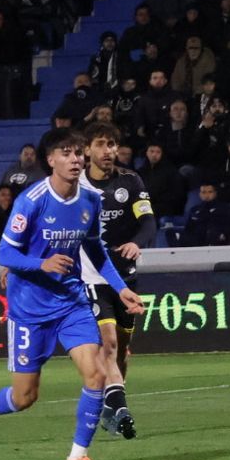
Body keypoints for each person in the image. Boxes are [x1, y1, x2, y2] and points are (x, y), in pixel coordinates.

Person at [0, 129, 146, 460]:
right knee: (24, 398)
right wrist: (41, 264)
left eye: (79, 152)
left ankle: (77, 458)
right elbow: (4, 253)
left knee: (96, 374)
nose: (75, 159)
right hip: (29, 309)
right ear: (50, 160)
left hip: (71, 303)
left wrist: (120, 287)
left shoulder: (91, 200)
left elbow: (94, 248)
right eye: (66, 153)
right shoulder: (32, 200)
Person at [79, 121, 155, 438]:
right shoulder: (77, 186)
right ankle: (121, 410)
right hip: (91, 277)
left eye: (112, 144)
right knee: (107, 343)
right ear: (87, 150)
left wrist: (138, 241)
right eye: (100, 144)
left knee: (120, 352)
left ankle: (112, 406)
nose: (108, 150)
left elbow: (149, 221)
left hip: (125, 277)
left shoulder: (130, 181)